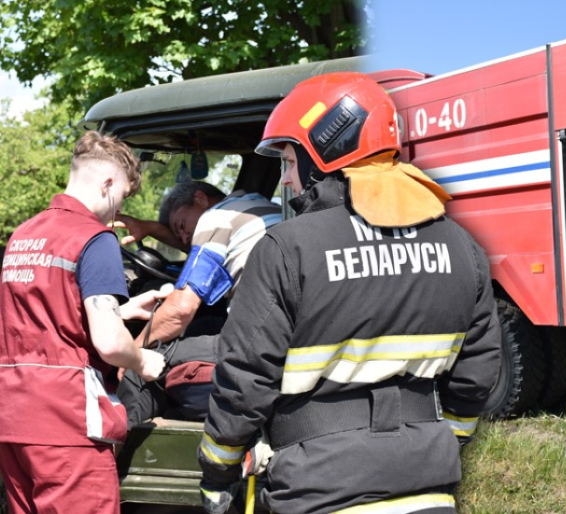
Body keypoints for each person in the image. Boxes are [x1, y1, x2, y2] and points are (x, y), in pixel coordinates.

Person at [197, 72, 501, 514]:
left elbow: (244, 378)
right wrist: (436, 443)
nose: (285, 180)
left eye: (287, 161)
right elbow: (476, 374)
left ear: (323, 150)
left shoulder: (286, 249)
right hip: (429, 488)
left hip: (317, 490)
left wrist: (217, 472)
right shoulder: (462, 248)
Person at [0, 131, 169, 513]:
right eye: (122, 198)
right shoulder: (93, 238)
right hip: (67, 425)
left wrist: (122, 310)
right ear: (108, 183)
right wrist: (143, 362)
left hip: (13, 419)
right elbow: (109, 343)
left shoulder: (25, 235)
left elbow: (41, 317)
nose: (117, 212)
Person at [115, 181, 282, 427]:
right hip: (286, 334)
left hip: (262, 344)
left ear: (201, 198)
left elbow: (181, 309)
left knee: (138, 369)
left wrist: (131, 351)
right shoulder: (254, 206)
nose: (184, 238)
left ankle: (109, 455)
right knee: (206, 324)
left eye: (181, 226)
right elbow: (191, 239)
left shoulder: (216, 218)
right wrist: (149, 228)